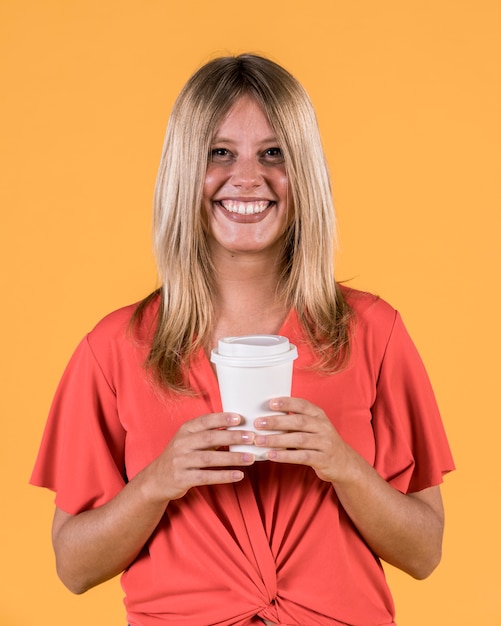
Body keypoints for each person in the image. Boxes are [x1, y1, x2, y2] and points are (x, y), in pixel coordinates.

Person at [30, 53, 455, 626]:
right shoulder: (114, 349)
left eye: (274, 153)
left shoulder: (373, 333)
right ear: (186, 170)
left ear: (303, 170)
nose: (248, 177)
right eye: (219, 153)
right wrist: (158, 481)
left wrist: (344, 466)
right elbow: (73, 567)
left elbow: (425, 552)